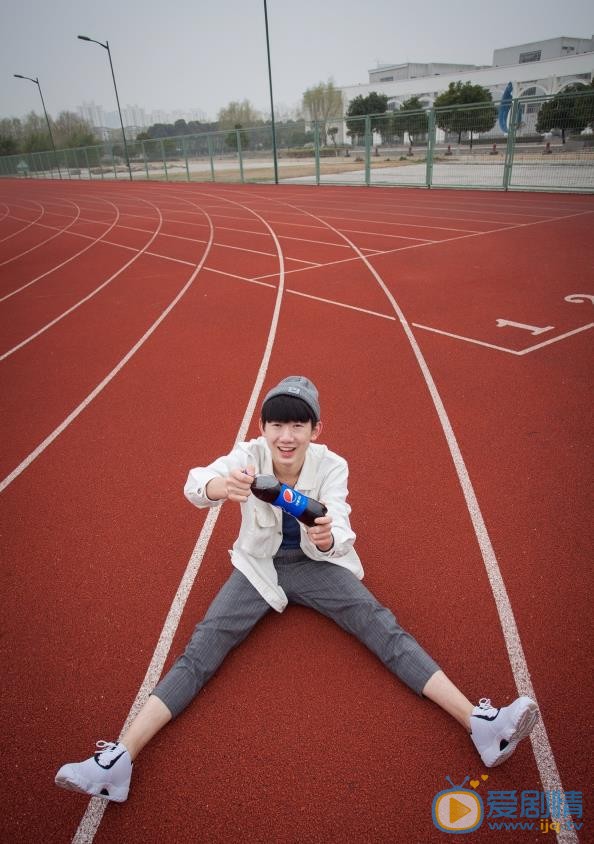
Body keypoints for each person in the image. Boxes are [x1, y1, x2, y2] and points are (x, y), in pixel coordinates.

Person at [55, 376, 539, 803]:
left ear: (315, 430)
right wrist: (223, 487)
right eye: (276, 426)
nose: (286, 437)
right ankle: (119, 761)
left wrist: (329, 538)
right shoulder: (250, 455)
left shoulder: (332, 465)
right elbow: (194, 482)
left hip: (314, 565)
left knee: (381, 626)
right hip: (259, 567)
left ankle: (482, 724)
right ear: (264, 428)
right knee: (200, 650)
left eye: (298, 426)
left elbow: (340, 521)